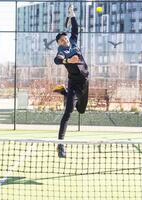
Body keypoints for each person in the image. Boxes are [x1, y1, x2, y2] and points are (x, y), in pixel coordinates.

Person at [53, 5, 89, 158]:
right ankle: (60, 145)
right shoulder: (61, 51)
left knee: (81, 110)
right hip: (74, 83)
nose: (65, 40)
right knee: (68, 112)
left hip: (85, 82)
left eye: (65, 38)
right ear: (59, 43)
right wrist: (69, 59)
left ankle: (64, 93)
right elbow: (57, 60)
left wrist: (72, 15)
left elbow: (75, 28)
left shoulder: (73, 42)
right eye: (62, 40)